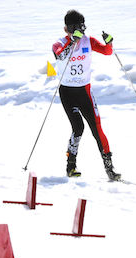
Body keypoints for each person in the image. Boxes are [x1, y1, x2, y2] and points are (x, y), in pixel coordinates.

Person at [52, 10, 121, 181]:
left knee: (97, 129)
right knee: (78, 128)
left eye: (80, 28)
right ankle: (71, 166)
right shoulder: (59, 43)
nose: (78, 32)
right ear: (65, 29)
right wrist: (71, 42)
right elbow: (60, 56)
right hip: (67, 92)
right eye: (74, 29)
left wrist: (109, 42)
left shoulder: (87, 41)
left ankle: (109, 168)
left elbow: (107, 51)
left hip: (85, 91)